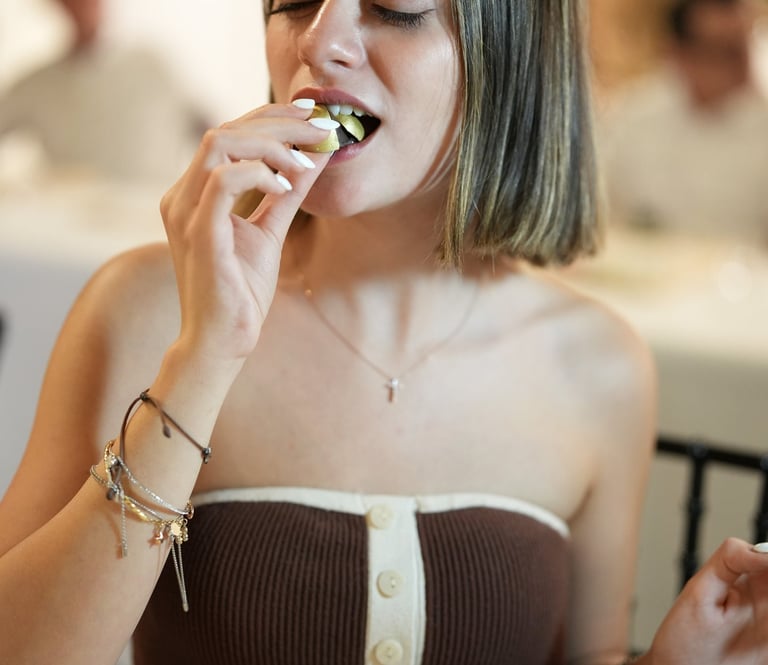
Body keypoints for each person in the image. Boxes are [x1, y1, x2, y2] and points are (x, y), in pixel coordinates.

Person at [1, 1, 768, 664]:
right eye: (295, 0)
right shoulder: (147, 309)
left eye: (395, 7)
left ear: (509, 55)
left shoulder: (602, 368)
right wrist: (205, 358)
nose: (317, 40)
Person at [597, 0, 768, 241]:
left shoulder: (762, 122)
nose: (742, 65)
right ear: (677, 53)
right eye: (721, 52)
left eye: (744, 46)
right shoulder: (636, 119)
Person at [0, 0, 210, 182]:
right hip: (66, 221)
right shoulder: (37, 85)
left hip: (150, 217)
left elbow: (210, 132)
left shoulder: (153, 64)